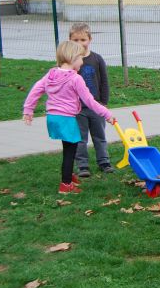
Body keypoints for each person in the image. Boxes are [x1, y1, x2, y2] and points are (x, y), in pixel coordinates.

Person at [22, 41, 115, 194]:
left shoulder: (51, 74)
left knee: (68, 147)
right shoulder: (75, 79)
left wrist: (28, 110)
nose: (82, 61)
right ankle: (65, 184)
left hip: (53, 118)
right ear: (72, 59)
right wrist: (107, 114)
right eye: (80, 57)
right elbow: (89, 101)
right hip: (66, 119)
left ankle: (69, 176)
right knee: (70, 151)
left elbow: (36, 89)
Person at [68, 23, 114, 177]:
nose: (79, 43)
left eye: (83, 40)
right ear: (70, 41)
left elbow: (104, 82)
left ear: (90, 39)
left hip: (96, 106)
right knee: (80, 138)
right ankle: (83, 166)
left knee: (99, 136)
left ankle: (104, 162)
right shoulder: (69, 62)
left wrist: (104, 103)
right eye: (75, 40)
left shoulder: (97, 59)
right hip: (77, 108)